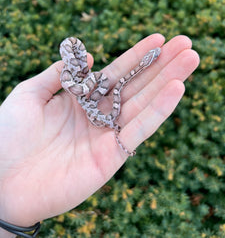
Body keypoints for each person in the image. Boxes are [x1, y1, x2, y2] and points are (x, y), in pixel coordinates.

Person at [0, 34, 199, 237]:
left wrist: (9, 215)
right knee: (116, 88)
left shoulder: (83, 73)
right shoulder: (75, 66)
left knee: (118, 86)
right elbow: (82, 79)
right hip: (89, 93)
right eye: (153, 57)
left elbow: (91, 82)